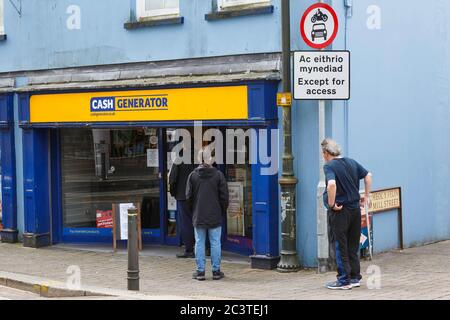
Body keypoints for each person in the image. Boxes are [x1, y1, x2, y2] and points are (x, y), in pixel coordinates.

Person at [321, 138, 372, 290]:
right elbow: (368, 175)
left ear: (326, 153)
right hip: (355, 209)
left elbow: (331, 184)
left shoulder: (329, 166)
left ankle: (344, 280)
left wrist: (331, 204)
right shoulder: (352, 162)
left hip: (341, 211)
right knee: (352, 245)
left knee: (340, 245)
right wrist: (367, 196)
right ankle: (355, 277)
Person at [186, 149, 229, 281]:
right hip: (215, 214)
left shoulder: (193, 176)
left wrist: (194, 210)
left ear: (199, 159)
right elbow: (224, 197)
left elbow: (188, 197)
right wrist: (221, 210)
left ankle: (200, 272)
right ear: (210, 159)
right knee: (215, 243)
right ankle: (216, 271)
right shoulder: (219, 175)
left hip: (198, 214)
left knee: (199, 242)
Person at [169, 149, 197, 258]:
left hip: (182, 196)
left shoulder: (179, 160)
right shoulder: (199, 159)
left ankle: (189, 249)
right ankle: (206, 247)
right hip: (197, 196)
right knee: (201, 221)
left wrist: (174, 193)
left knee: (186, 223)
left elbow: (172, 179)